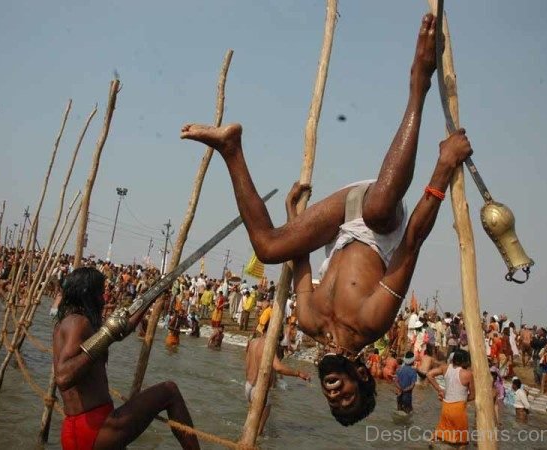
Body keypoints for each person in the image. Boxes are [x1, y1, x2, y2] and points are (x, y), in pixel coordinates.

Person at [181, 13, 473, 425]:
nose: (335, 395)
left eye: (333, 403)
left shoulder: (308, 321)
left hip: (339, 216)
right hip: (379, 215)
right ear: (362, 379)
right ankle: (418, 84)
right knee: (376, 209)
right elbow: (412, 243)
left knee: (268, 248)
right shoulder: (372, 322)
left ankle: (230, 148)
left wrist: (291, 218)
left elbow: (296, 260)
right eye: (347, 399)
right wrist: (442, 168)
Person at [53, 267, 199, 449]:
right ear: (87, 293)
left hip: (76, 431)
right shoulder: (78, 323)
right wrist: (105, 336)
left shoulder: (66, 323)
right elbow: (63, 377)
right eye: (100, 292)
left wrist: (155, 293)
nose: (103, 297)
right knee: (169, 391)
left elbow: (123, 328)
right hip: (94, 429)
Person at [245, 334, 310, 436]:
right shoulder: (268, 345)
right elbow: (278, 367)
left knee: (250, 424)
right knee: (258, 431)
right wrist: (298, 373)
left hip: (248, 386)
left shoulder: (253, 342)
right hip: (260, 389)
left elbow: (247, 363)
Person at [427, 350, 474, 447]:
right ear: (465, 361)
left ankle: (431, 443)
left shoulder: (445, 368)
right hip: (458, 408)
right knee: (462, 441)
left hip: (446, 406)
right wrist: (463, 399)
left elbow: (429, 375)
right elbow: (473, 395)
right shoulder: (468, 374)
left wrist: (439, 390)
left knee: (442, 434)